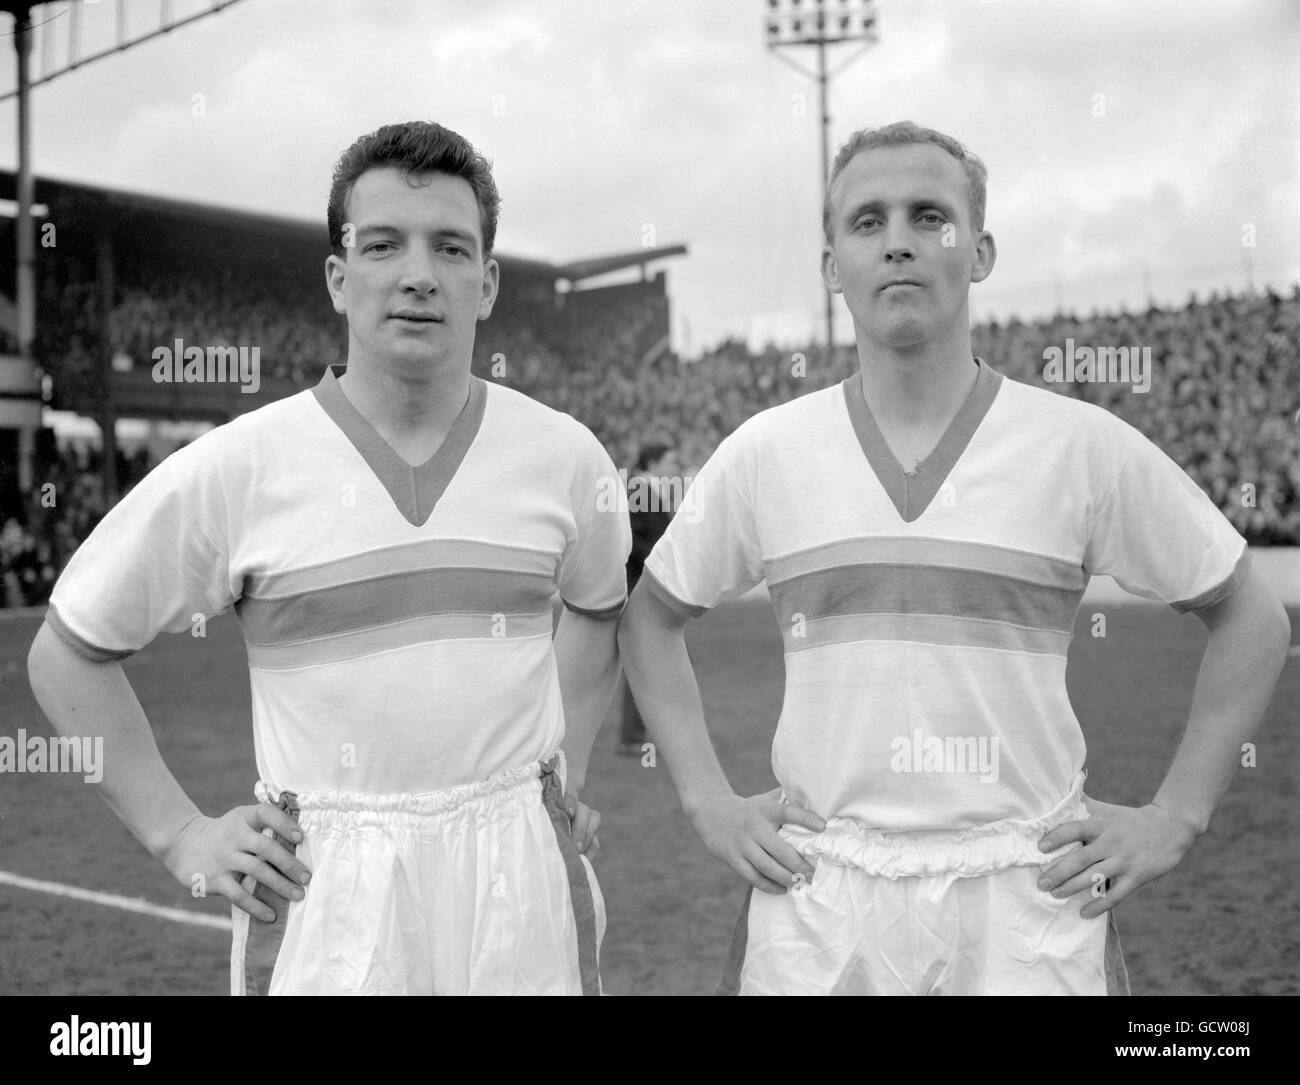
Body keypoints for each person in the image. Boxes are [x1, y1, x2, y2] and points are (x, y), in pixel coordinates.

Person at [618, 121, 1291, 995]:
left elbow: (1252, 617)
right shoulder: (766, 453)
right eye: (866, 222)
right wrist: (707, 799)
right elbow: (650, 616)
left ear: (979, 251)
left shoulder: (1079, 446)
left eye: (928, 215)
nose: (897, 240)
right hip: (822, 897)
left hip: (1026, 896)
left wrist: (1176, 815)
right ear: (832, 267)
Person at [28, 121, 630, 995]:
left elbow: (598, 610)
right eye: (383, 244)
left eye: (451, 248)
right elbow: (66, 650)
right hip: (329, 892)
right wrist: (181, 833)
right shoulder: (240, 465)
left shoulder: (567, 458)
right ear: (340, 279)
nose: (419, 273)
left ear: (487, 283)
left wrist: (558, 770)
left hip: (521, 871)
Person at [619, 441, 679, 755]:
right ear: (654, 462)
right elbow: (630, 539)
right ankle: (634, 735)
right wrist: (658, 562)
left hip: (645, 583)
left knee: (651, 659)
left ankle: (642, 731)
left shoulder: (649, 489)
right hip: (639, 585)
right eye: (670, 461)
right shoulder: (639, 490)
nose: (675, 467)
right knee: (644, 661)